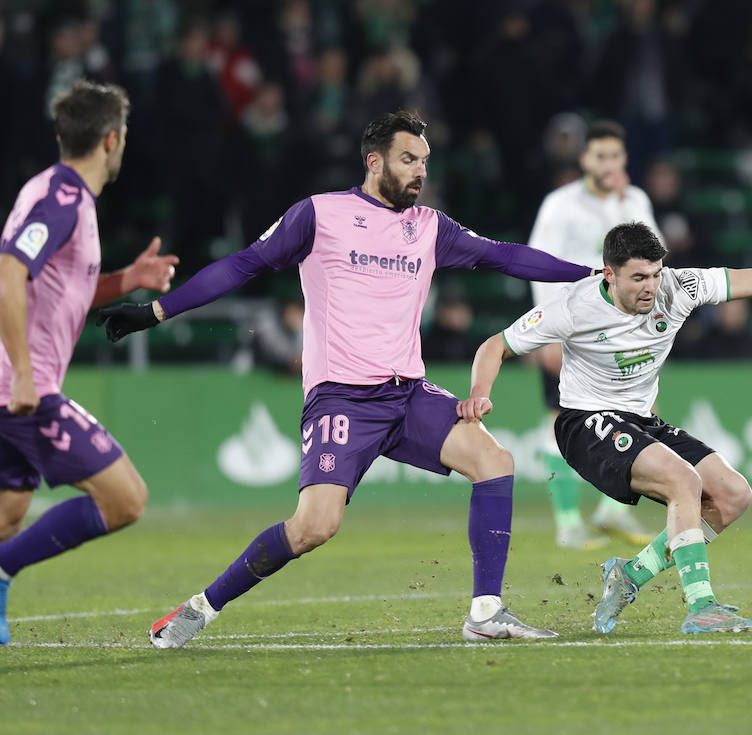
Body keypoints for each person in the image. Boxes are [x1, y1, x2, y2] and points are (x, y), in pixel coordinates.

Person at [97, 111, 592, 647]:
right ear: (374, 161)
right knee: (314, 527)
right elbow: (242, 265)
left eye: (424, 162)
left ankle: (486, 612)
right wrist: (157, 313)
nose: (420, 172)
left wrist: (590, 277)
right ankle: (201, 607)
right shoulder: (320, 215)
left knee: (494, 461)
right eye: (408, 160)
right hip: (342, 399)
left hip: (407, 393)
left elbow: (507, 256)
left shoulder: (429, 227)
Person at [462, 222, 752, 634]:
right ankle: (702, 607)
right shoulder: (574, 308)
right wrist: (480, 391)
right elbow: (494, 345)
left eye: (654, 273)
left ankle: (629, 573)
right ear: (609, 275)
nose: (650, 286)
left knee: (732, 495)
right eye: (637, 278)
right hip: (584, 424)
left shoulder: (680, 286)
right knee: (683, 481)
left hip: (640, 420)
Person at [0, 80, 178, 644]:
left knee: (8, 515)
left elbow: (63, 286)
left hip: (15, 386)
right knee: (126, 498)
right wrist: (26, 373)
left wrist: (127, 281)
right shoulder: (62, 200)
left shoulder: (61, 195)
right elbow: (8, 274)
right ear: (112, 139)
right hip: (20, 388)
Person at [527, 120, 662, 550]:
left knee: (640, 412)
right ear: (584, 159)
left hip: (623, 329)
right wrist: (547, 331)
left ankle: (612, 510)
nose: (608, 163)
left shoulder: (634, 199)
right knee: (560, 420)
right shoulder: (560, 204)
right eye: (599, 155)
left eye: (615, 156)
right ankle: (567, 522)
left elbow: (653, 258)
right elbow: (538, 263)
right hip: (572, 327)